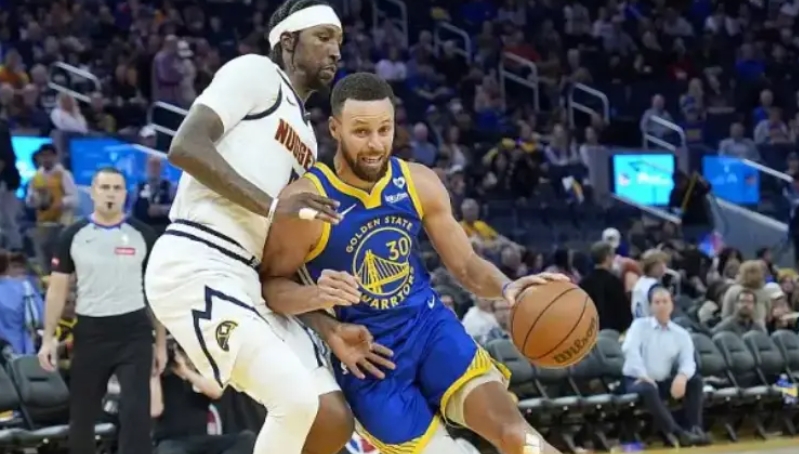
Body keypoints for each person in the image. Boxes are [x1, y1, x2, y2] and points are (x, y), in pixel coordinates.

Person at [260, 72, 569, 454]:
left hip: (431, 329)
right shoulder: (309, 202)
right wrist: (325, 319)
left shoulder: (417, 182)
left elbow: (466, 265)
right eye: (361, 132)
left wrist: (507, 287)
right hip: (369, 360)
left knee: (519, 438)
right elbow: (271, 287)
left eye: (384, 130)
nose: (375, 144)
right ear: (335, 129)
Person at [144, 2, 389, 454]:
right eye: (323, 38)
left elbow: (280, 263)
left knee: (332, 418)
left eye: (339, 41)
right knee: (295, 402)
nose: (336, 51)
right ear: (288, 42)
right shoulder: (255, 73)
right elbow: (186, 145)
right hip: (198, 259)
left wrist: (327, 326)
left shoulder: (308, 137)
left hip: (250, 277)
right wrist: (273, 205)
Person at [37, 167, 162, 454]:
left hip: (134, 332)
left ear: (125, 194)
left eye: (117, 188)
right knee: (82, 415)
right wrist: (48, 339)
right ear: (92, 192)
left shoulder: (144, 234)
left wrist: (160, 343)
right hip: (90, 332)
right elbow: (57, 290)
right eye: (105, 187)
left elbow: (155, 293)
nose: (111, 194)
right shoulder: (73, 235)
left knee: (136, 414)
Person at [621, 286, 709, 447]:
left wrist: (682, 376)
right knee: (648, 388)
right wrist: (643, 375)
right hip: (636, 381)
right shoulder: (639, 326)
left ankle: (695, 428)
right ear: (651, 306)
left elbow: (688, 361)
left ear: (671, 305)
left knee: (695, 381)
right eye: (657, 302)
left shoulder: (681, 333)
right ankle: (677, 432)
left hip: (662, 381)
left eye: (665, 301)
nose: (661, 305)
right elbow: (630, 351)